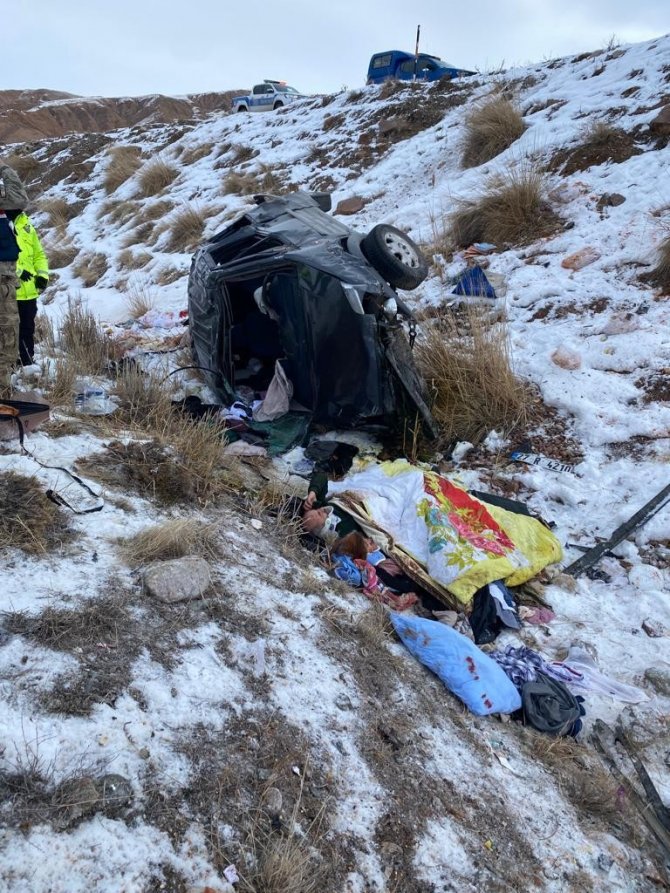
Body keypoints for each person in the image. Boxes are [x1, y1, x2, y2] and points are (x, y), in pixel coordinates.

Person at [4, 207, 49, 366]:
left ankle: (27, 362)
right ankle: (7, 366)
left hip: (29, 292)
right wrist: (17, 271)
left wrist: (43, 275)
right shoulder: (2, 223)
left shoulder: (27, 224)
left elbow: (39, 254)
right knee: (7, 330)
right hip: (7, 290)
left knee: (27, 329)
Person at [0, 208, 19, 393]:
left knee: (8, 338)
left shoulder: (8, 217)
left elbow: (19, 200)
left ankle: (4, 391)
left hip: (7, 281)